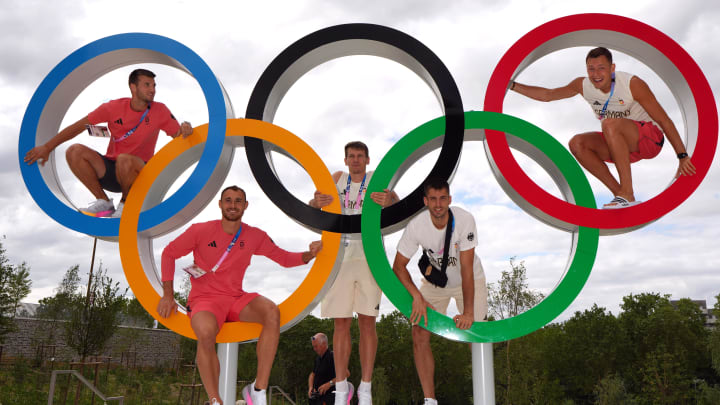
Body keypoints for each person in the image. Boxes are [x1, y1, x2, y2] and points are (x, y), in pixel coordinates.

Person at [157, 185, 323, 405]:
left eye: (237, 201)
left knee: (272, 312)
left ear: (245, 206)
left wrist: (309, 254)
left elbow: (282, 258)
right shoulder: (200, 230)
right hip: (205, 300)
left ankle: (258, 390)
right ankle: (215, 400)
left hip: (236, 299)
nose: (232, 205)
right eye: (228, 200)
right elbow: (169, 253)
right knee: (206, 334)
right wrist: (168, 294)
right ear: (220, 204)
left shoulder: (254, 235)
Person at [510, 47, 695, 208]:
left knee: (609, 123)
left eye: (601, 68)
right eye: (591, 69)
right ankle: (621, 195)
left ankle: (627, 193)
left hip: (649, 139)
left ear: (612, 68)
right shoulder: (582, 85)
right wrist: (511, 85)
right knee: (578, 143)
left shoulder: (632, 84)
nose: (596, 74)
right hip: (620, 145)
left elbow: (664, 120)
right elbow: (548, 95)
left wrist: (682, 156)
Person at [24, 68, 193, 217]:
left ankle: (126, 205)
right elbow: (79, 127)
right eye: (147, 85)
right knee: (74, 151)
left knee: (125, 159)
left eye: (154, 85)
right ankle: (104, 203)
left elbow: (178, 136)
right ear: (133, 87)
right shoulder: (113, 108)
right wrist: (47, 147)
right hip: (113, 171)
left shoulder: (160, 110)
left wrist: (185, 128)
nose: (152, 90)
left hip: (140, 173)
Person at [309, 141, 398, 405]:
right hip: (340, 255)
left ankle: (366, 387)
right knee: (340, 323)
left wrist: (390, 199)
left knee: (367, 321)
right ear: (345, 160)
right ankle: (341, 387)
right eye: (351, 156)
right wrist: (316, 201)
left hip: (369, 254)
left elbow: (398, 205)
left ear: (368, 160)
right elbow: (312, 207)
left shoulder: (377, 179)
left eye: (360, 156)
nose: (356, 160)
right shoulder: (337, 178)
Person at [391, 177, 488, 405]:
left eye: (442, 198)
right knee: (419, 331)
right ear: (425, 201)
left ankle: (484, 397)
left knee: (480, 335)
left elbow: (466, 270)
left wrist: (469, 313)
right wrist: (417, 297)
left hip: (470, 279)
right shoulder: (417, 225)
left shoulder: (464, 220)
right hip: (436, 284)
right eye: (433, 199)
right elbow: (398, 266)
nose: (438, 204)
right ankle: (430, 400)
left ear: (449, 199)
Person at [307, 332, 353, 405]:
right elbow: (312, 375)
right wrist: (311, 387)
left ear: (324, 344)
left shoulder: (333, 356)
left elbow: (346, 373)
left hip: (330, 398)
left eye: (316, 346)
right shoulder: (318, 359)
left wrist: (329, 384)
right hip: (317, 399)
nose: (314, 349)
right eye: (313, 346)